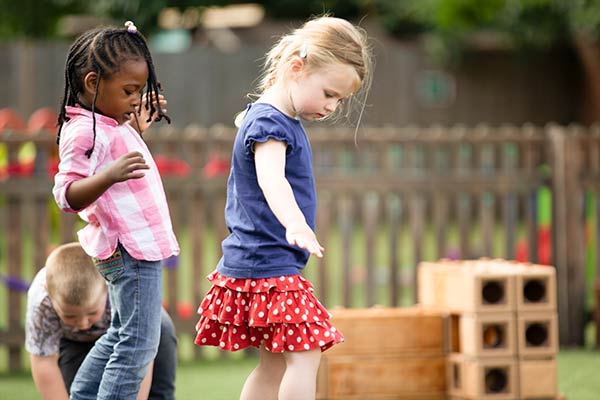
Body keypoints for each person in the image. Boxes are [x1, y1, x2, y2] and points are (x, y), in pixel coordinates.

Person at [193, 15, 373, 400]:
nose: (332, 106)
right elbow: (270, 179)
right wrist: (295, 224)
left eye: (339, 99)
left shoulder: (271, 117)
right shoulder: (270, 124)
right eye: (328, 93)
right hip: (266, 262)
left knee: (275, 362)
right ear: (296, 68)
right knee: (305, 354)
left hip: (264, 261)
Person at [52, 20, 179, 399]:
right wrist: (108, 175)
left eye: (139, 91)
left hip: (135, 247)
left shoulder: (107, 123)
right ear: (93, 84)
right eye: (129, 91)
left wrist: (138, 125)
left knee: (122, 335)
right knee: (138, 345)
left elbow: (119, 152)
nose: (136, 99)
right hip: (129, 251)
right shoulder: (84, 130)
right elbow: (67, 193)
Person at [25, 242, 177, 400]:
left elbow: (140, 350)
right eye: (70, 316)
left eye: (92, 312)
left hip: (139, 335)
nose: (83, 324)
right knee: (79, 392)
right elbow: (43, 360)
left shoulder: (120, 289)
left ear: (107, 288)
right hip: (72, 341)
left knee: (160, 328)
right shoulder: (41, 301)